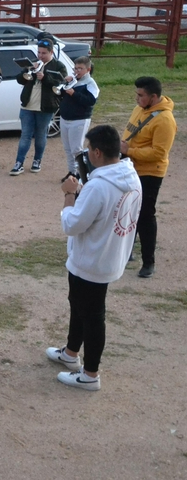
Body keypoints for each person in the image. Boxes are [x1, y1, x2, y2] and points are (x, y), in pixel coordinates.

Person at [47, 125, 141, 390]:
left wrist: (69, 195)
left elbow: (72, 224)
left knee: (92, 316)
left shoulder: (98, 186)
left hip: (90, 260)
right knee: (79, 306)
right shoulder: (131, 175)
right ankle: (71, 353)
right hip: (110, 256)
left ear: (97, 152)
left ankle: (90, 375)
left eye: (89, 150)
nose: (87, 155)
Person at [120, 76, 177, 278]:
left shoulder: (165, 120)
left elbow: (159, 153)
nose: (137, 98)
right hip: (132, 168)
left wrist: (130, 150)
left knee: (145, 215)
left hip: (150, 173)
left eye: (140, 95)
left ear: (153, 97)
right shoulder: (139, 110)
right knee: (129, 210)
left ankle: (148, 262)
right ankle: (127, 252)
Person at [11, 38, 67, 175]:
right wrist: (28, 70)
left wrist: (45, 77)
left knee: (41, 135)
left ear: (51, 52)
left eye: (43, 53)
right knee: (25, 136)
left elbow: (61, 83)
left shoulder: (58, 66)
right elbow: (19, 79)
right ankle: (19, 163)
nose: (40, 56)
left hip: (45, 107)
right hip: (27, 106)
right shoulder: (33, 63)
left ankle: (37, 160)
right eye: (39, 52)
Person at [59, 57, 99, 178]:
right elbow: (61, 94)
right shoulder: (73, 81)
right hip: (65, 118)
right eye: (75, 68)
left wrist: (74, 93)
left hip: (79, 120)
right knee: (67, 148)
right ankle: (72, 172)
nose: (77, 71)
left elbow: (91, 101)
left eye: (80, 68)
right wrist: (64, 84)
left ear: (88, 69)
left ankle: (81, 173)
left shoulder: (91, 83)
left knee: (76, 149)